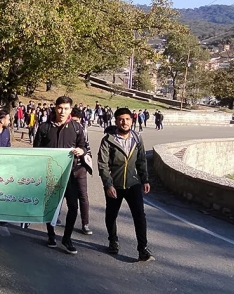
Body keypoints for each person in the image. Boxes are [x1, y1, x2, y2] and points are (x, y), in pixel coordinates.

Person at [33, 96, 92, 254]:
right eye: (60, 108)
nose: (62, 111)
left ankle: (67, 238)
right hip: (51, 175)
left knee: (73, 207)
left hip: (70, 175)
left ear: (70, 110)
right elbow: (36, 150)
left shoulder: (77, 127)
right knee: (51, 206)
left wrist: (81, 151)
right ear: (55, 108)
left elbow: (84, 146)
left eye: (66, 108)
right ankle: (51, 235)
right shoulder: (44, 127)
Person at [98, 108, 154, 262]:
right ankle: (113, 241)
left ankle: (142, 249)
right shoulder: (108, 140)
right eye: (121, 119)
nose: (124, 122)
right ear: (116, 121)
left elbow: (141, 160)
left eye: (127, 119)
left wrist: (145, 179)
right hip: (114, 185)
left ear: (132, 120)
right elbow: (102, 164)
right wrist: (108, 185)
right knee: (111, 214)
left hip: (133, 183)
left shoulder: (137, 138)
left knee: (140, 216)